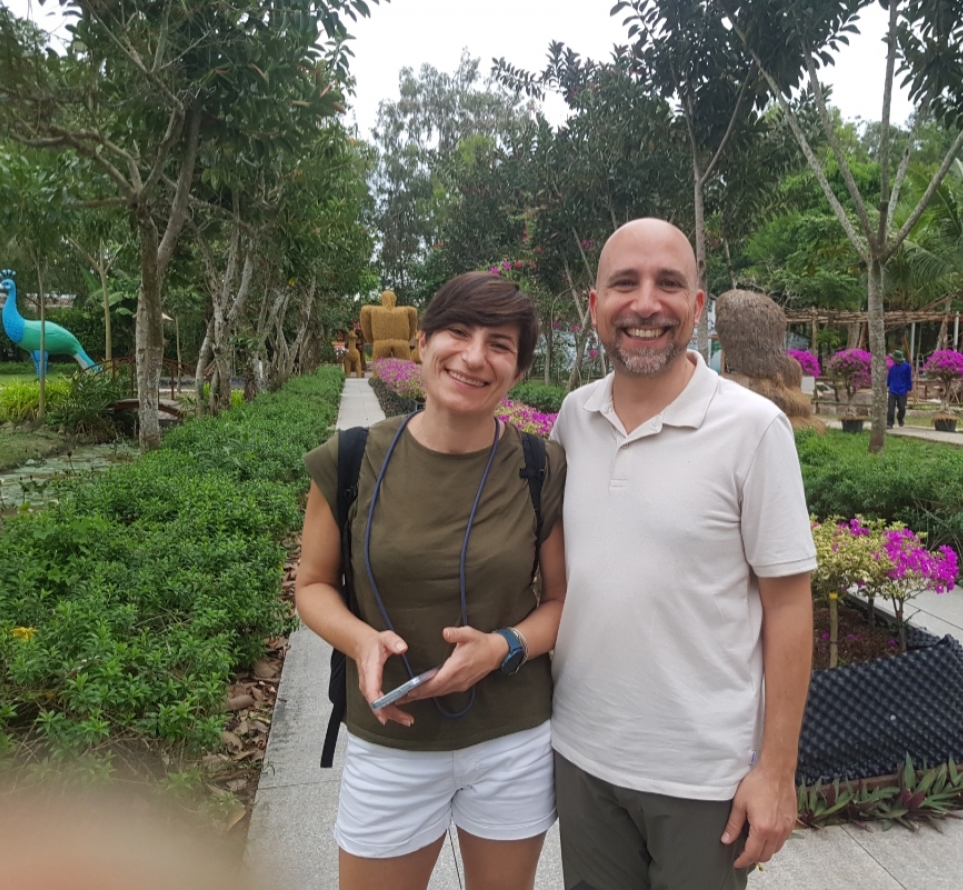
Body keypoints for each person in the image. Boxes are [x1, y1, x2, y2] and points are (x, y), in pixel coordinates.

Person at [550, 218, 817, 890]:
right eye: (624, 284)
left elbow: (788, 606)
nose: (646, 304)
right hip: (583, 756)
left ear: (697, 307)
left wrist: (777, 772)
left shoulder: (754, 429)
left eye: (669, 284)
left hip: (704, 780)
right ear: (595, 306)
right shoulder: (573, 418)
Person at [296, 272, 568, 890]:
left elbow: (561, 601)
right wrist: (361, 641)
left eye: (500, 344)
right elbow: (312, 585)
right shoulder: (350, 457)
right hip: (392, 741)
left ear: (517, 369)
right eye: (458, 332)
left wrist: (503, 648)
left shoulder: (538, 465)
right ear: (421, 343)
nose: (475, 356)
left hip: (511, 740)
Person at [887, 349, 913, 429]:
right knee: (891, 408)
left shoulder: (907, 367)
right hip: (892, 390)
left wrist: (909, 389)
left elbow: (909, 378)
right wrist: (886, 385)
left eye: (894, 359)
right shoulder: (892, 368)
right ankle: (889, 423)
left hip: (902, 391)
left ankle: (900, 418)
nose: (893, 361)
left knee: (902, 408)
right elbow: (889, 378)